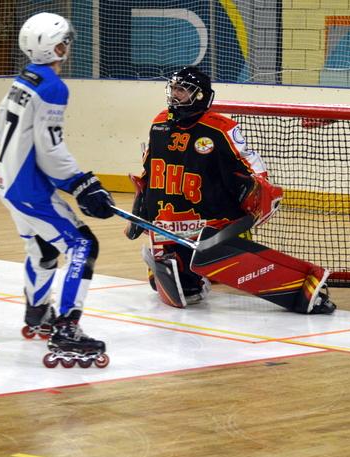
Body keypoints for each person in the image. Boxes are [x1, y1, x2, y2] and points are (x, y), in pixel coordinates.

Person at [126, 66, 335, 314]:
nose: (174, 94)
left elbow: (252, 166)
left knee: (207, 261)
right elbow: (150, 170)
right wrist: (141, 204)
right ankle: (188, 271)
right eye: (173, 88)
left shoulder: (221, 128)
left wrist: (256, 190)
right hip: (171, 222)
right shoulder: (160, 122)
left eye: (181, 90)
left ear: (200, 95)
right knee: (179, 286)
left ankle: (302, 289)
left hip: (212, 221)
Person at [0, 12, 115, 368]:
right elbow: (50, 148)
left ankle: (37, 313)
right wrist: (81, 183)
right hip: (28, 188)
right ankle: (66, 327)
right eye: (65, 41)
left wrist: (21, 167)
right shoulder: (53, 86)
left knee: (44, 250)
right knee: (83, 244)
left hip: (6, 182)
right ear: (53, 46)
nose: (68, 47)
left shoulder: (24, 79)